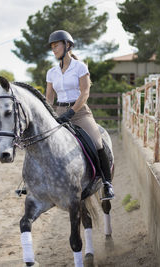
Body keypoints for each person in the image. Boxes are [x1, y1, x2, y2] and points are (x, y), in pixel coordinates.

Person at [45, 30, 114, 201]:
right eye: (52, 47)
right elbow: (49, 97)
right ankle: (35, 182)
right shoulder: (51, 72)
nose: (54, 49)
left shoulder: (80, 67)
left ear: (67, 45)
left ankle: (107, 184)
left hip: (79, 112)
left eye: (56, 46)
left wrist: (72, 111)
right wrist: (49, 113)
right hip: (58, 112)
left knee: (97, 143)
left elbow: (85, 93)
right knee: (43, 141)